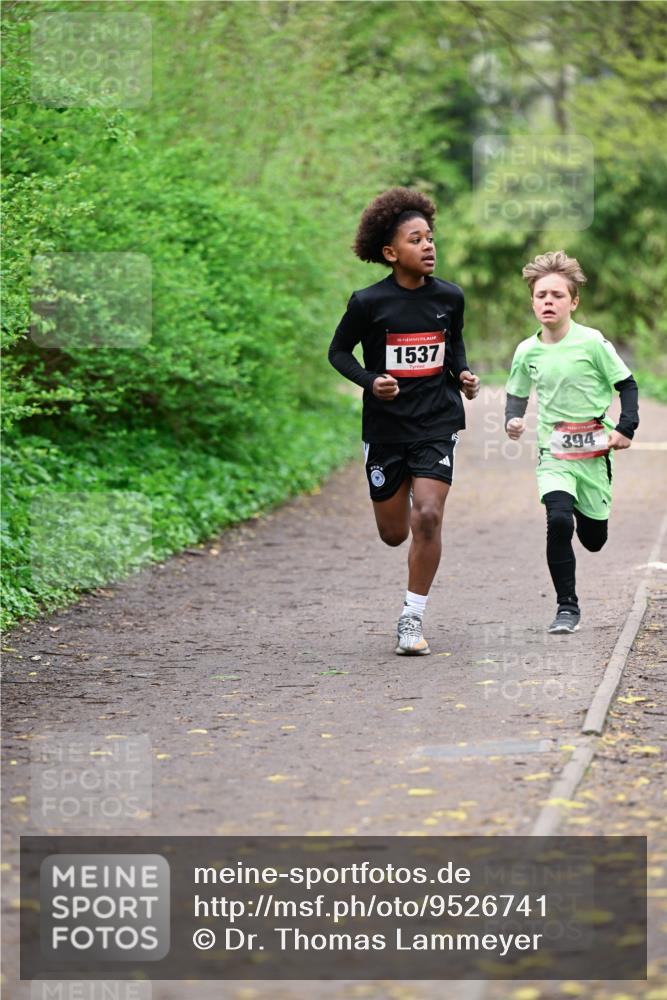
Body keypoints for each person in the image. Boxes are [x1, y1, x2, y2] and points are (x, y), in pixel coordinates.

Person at [328, 187, 479, 655]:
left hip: (436, 422)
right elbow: (338, 352)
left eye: (430, 237)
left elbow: (453, 347)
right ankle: (399, 501)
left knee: (428, 516)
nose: (428, 246)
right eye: (416, 240)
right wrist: (371, 380)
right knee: (394, 533)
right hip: (386, 429)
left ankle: (411, 618)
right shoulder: (368, 303)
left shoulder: (450, 297)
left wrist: (463, 374)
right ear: (391, 253)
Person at [505, 250, 639, 634]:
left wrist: (626, 427)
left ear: (573, 302)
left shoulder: (592, 343)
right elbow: (517, 393)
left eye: (557, 295)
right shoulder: (526, 351)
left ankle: (587, 509)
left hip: (594, 452)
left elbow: (627, 385)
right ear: (532, 301)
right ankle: (567, 607)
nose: (548, 301)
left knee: (594, 540)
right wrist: (513, 419)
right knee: (559, 520)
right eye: (541, 295)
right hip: (554, 453)